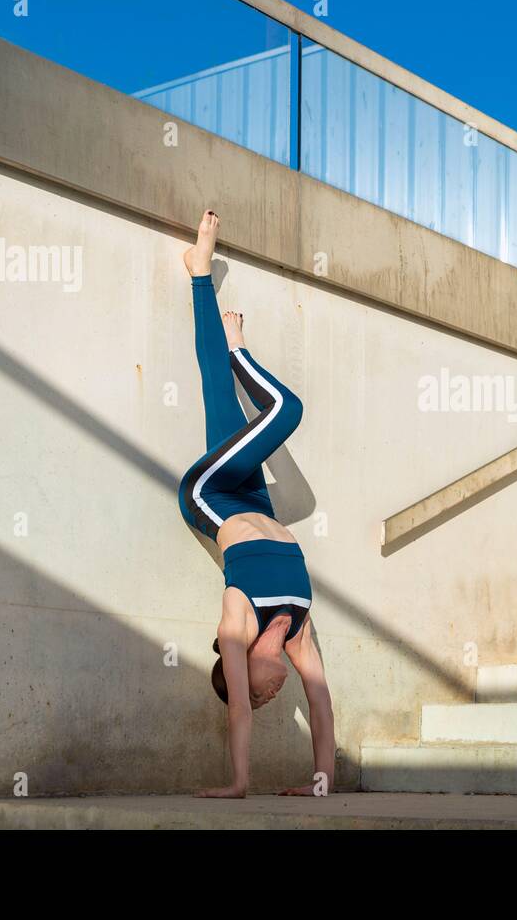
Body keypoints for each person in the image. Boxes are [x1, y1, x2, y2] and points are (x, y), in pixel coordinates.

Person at [178, 210, 334, 798]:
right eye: (270, 698)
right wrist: (321, 783)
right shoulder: (299, 635)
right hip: (252, 492)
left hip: (210, 493)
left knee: (284, 412)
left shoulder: (237, 626)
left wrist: (238, 785)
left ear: (238, 671)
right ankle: (198, 274)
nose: (269, 699)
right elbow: (322, 707)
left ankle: (241, 349)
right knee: (215, 386)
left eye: (258, 692)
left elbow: (236, 712)